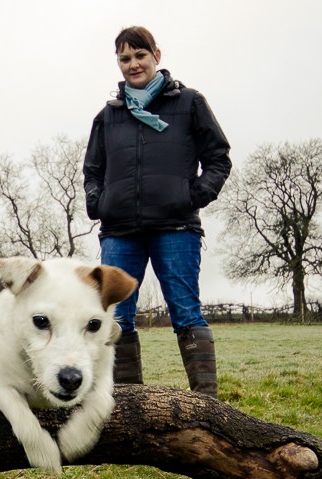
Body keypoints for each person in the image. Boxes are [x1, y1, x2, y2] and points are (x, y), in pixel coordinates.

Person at [83, 26, 231, 398]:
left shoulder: (190, 103)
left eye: (140, 55)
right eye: (125, 58)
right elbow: (92, 171)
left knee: (185, 311)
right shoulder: (107, 116)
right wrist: (98, 203)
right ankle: (128, 406)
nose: (133, 64)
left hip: (176, 227)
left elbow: (218, 158)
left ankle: (206, 404)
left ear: (156, 56)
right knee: (116, 317)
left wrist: (194, 195)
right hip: (120, 232)